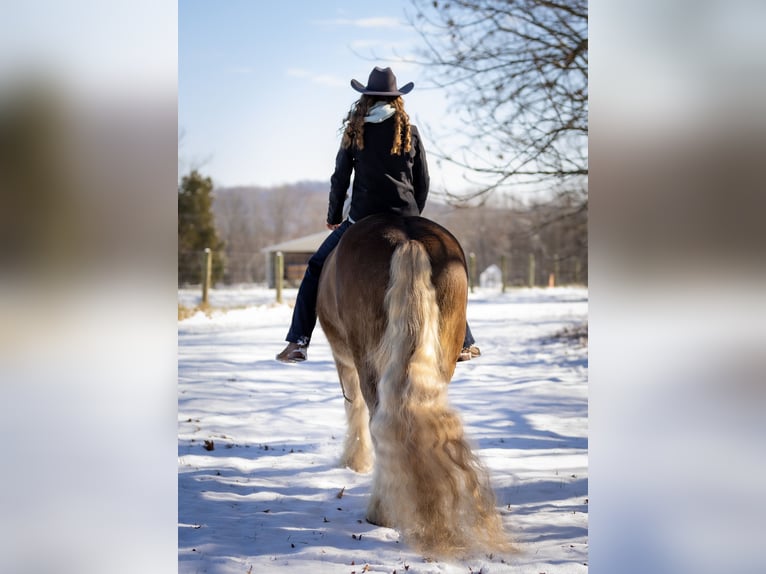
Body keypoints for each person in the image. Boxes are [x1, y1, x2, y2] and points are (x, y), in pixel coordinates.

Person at [276, 66, 480, 363]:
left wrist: (334, 215)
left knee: (316, 267)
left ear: (366, 99)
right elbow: (423, 181)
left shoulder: (355, 131)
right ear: (397, 99)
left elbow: (340, 179)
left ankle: (298, 341)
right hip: (408, 215)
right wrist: (413, 218)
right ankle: (463, 340)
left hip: (363, 218)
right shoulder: (409, 132)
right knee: (441, 270)